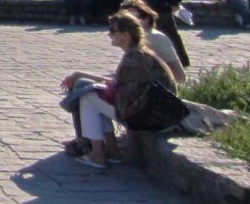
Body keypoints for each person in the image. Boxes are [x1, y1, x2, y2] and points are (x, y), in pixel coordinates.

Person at [59, 12, 177, 169]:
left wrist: (92, 87)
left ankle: (98, 155)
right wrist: (84, 77)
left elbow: (120, 94)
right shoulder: (138, 53)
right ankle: (111, 150)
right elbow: (120, 85)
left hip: (153, 116)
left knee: (87, 97)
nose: (109, 34)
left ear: (126, 35)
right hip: (155, 111)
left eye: (113, 31)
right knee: (88, 90)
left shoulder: (135, 59)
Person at [119, 0, 186, 83]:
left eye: (134, 18)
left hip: (161, 88)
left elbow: (179, 76)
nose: (129, 23)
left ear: (146, 19)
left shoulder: (153, 37)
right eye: (124, 20)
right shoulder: (136, 37)